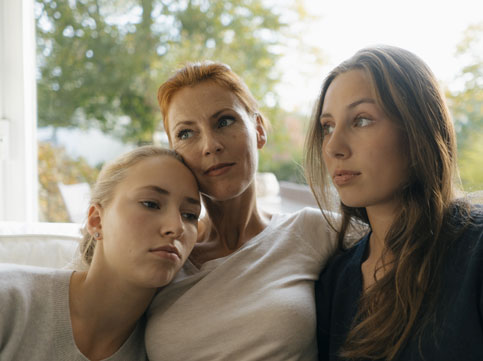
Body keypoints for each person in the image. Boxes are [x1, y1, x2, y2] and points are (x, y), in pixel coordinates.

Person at [145, 62, 341, 360]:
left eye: (224, 121)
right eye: (186, 133)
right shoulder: (164, 251)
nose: (210, 145)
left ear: (259, 130)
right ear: (173, 152)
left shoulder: (311, 231)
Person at [304, 45, 483, 361]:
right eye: (328, 126)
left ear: (419, 130)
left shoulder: (475, 253)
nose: (333, 146)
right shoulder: (334, 282)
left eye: (361, 120)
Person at [0, 146, 201, 361]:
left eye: (189, 215)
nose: (177, 227)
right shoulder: (9, 300)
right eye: (150, 204)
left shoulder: (171, 350)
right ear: (96, 220)